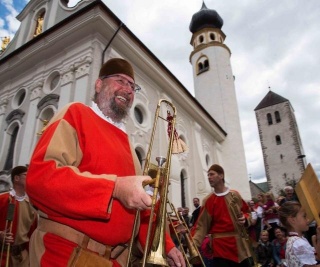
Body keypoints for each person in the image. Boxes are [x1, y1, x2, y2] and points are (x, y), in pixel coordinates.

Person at [26, 58, 185, 267]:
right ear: (99, 84)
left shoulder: (127, 143)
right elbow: (41, 178)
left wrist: (166, 244)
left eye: (132, 86)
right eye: (120, 80)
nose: (128, 89)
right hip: (65, 254)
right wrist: (114, 188)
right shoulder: (76, 113)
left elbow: (142, 209)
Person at [192, 164, 254, 267]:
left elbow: (248, 213)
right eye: (208, 175)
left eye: (212, 174)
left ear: (221, 176)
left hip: (240, 247)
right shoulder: (208, 201)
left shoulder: (235, 195)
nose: (209, 177)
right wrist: (193, 245)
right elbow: (201, 227)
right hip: (220, 249)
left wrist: (246, 219)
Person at [0, 166, 37, 267]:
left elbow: (32, 233)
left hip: (23, 257)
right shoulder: (2, 200)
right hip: (2, 254)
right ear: (16, 178)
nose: (30, 178)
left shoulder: (32, 205)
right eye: (26, 175)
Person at [278, 201, 320, 267]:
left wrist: (319, 237)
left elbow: (317, 256)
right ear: (292, 220)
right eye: (304, 216)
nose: (308, 220)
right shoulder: (299, 244)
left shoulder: (294, 240)